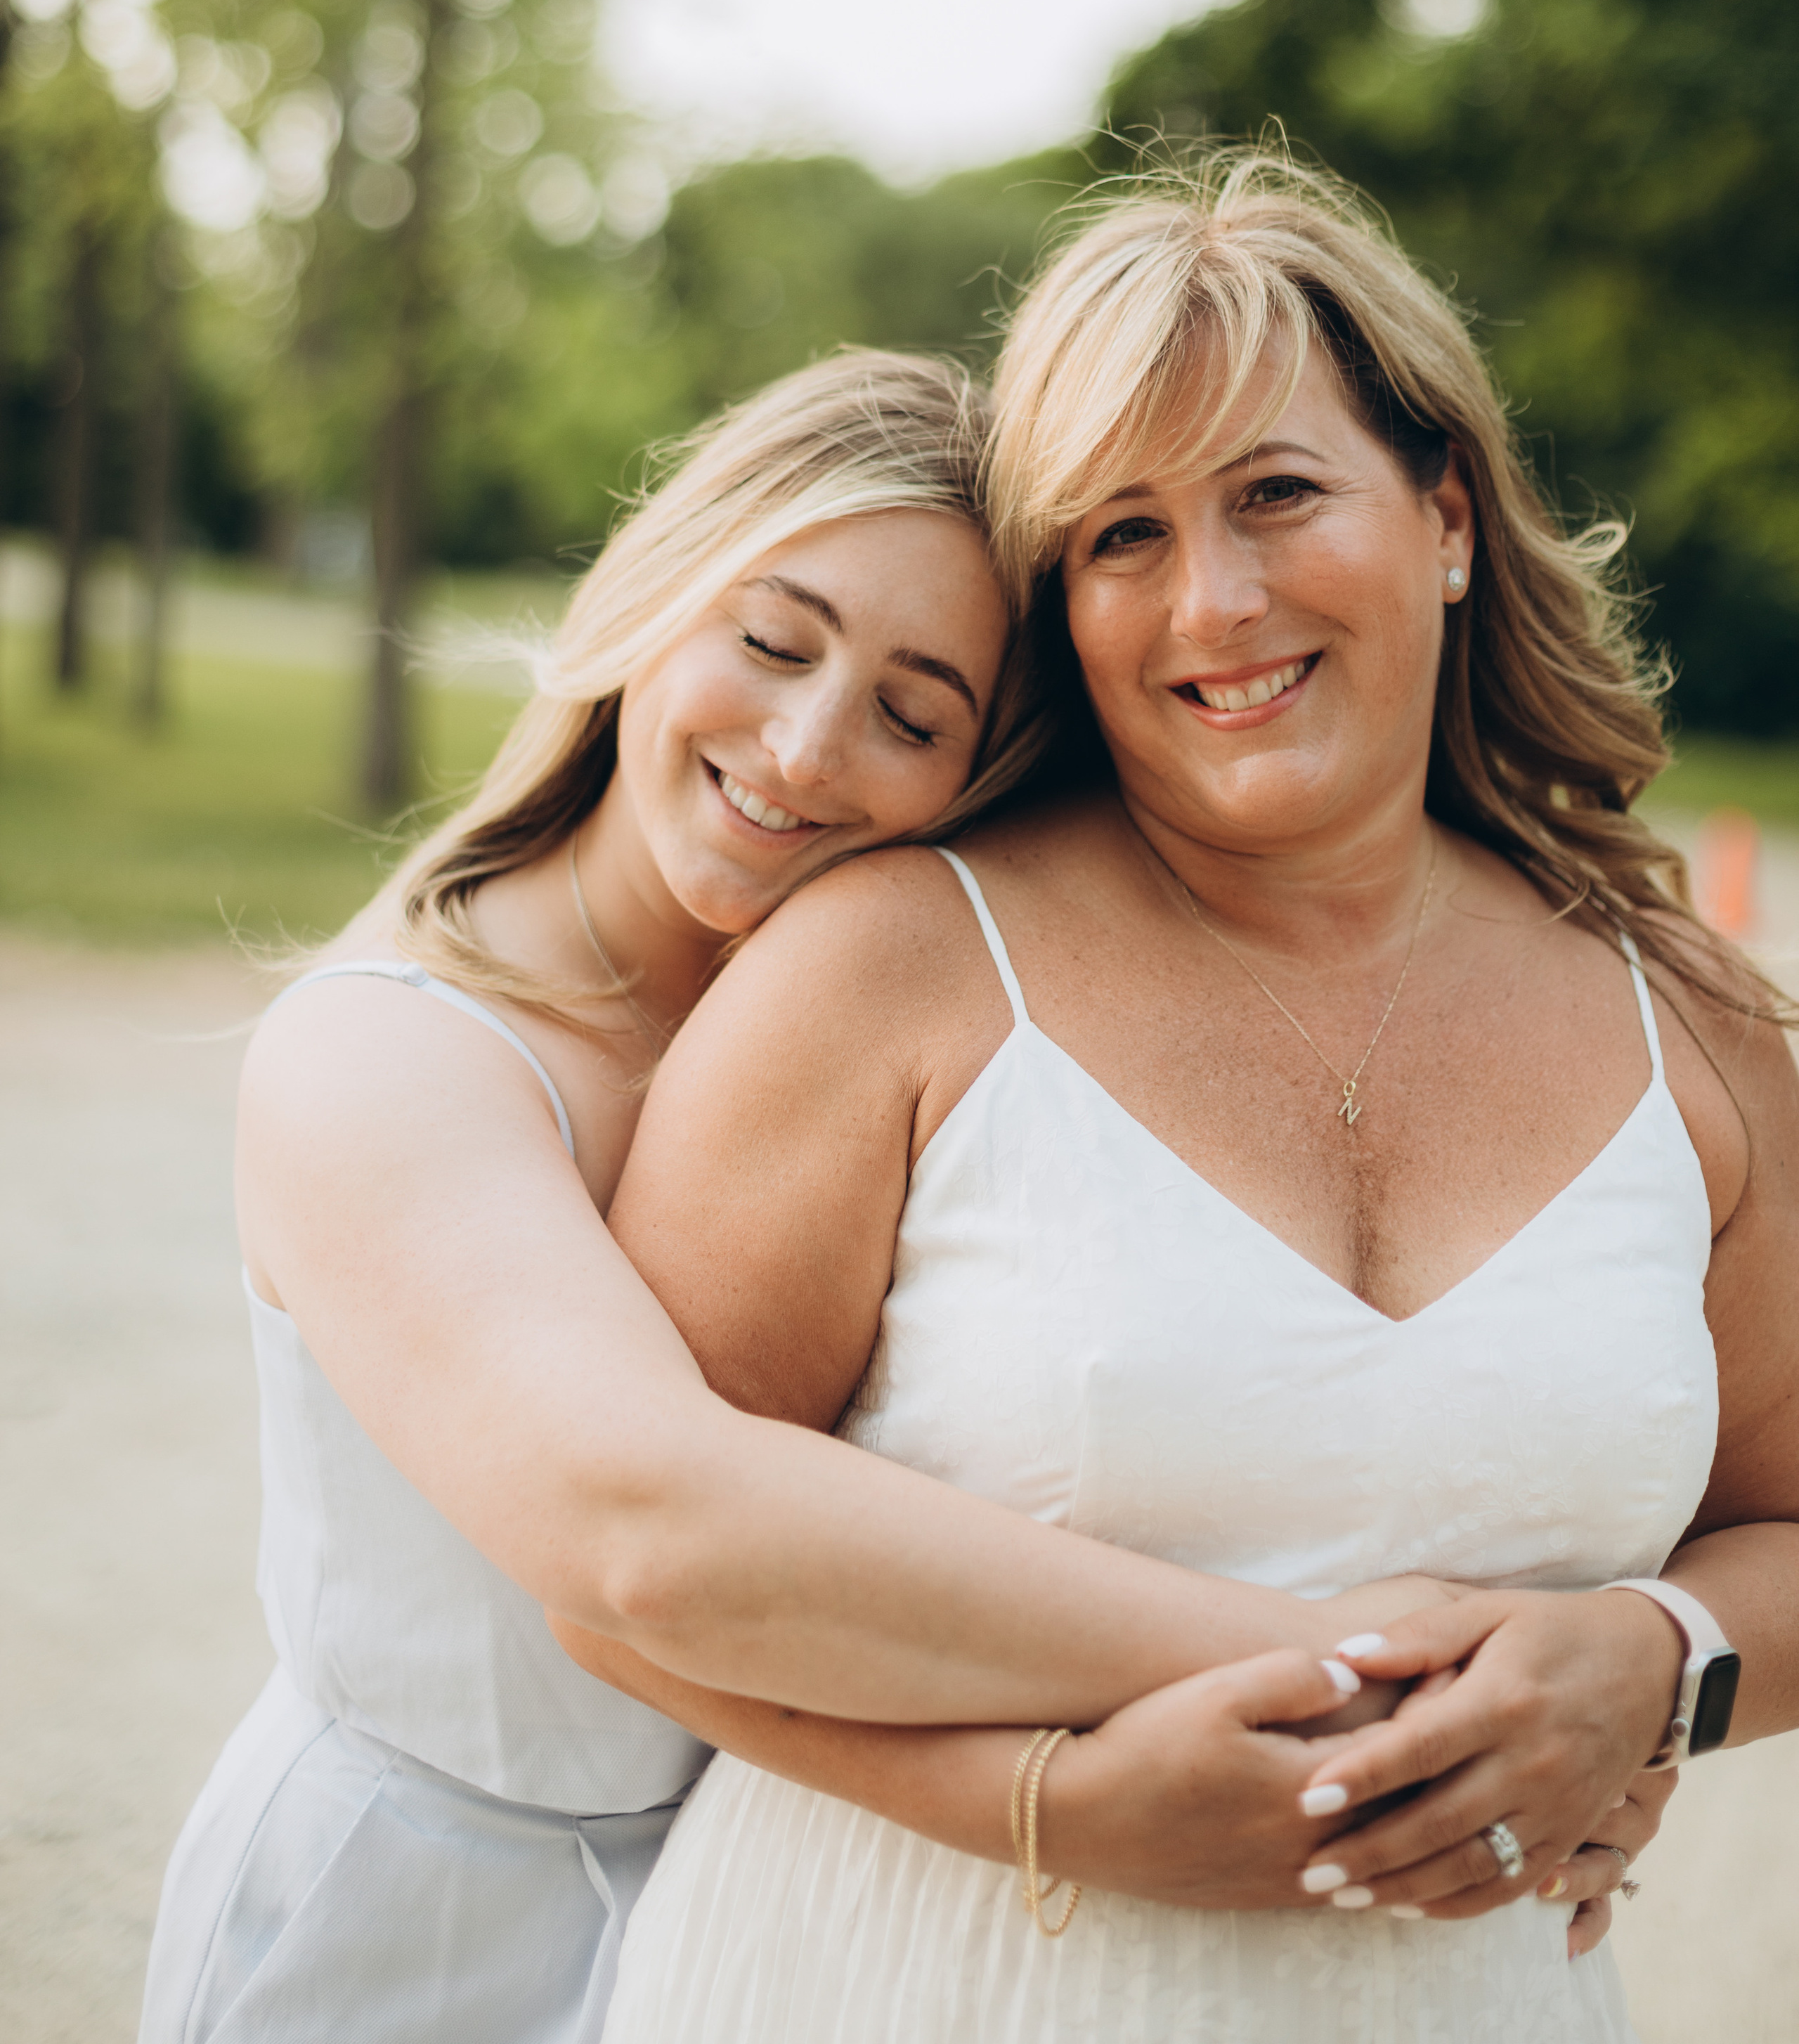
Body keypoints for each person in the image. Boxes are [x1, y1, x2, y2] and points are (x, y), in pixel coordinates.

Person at [141, 347, 1507, 2044]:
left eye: (911, 714)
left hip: (785, 1928)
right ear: (655, 600)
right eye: (770, 643)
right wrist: (1365, 1690)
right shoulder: (386, 1058)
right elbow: (648, 1522)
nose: (801, 747)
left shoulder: (909, 1047)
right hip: (413, 1937)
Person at [591, 153, 1799, 2044]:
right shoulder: (888, 972)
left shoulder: (1695, 1029)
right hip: (904, 1985)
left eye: (1278, 495)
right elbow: (629, 1577)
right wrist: (1040, 1805)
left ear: (1450, 514)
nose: (1215, 605)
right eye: (1122, 537)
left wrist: (1664, 1659)